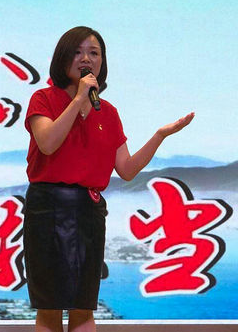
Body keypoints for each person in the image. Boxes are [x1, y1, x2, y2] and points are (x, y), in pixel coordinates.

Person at [23, 26, 194, 332]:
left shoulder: (108, 112)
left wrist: (160, 136)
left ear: (102, 62)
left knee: (83, 306)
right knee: (50, 307)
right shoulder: (43, 98)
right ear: (62, 58)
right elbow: (47, 143)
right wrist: (78, 99)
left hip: (89, 211)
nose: (86, 58)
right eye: (77, 52)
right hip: (48, 209)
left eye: (94, 53)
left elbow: (126, 169)